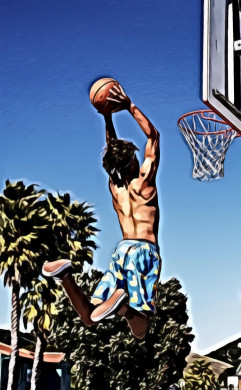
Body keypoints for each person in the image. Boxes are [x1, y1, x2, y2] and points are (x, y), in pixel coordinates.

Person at [42, 83, 161, 339]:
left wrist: (107, 117)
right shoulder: (144, 184)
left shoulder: (114, 186)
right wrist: (129, 105)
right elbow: (153, 137)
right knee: (141, 329)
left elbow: (112, 149)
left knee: (90, 317)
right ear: (133, 161)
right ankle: (125, 309)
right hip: (144, 251)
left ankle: (65, 278)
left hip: (122, 250)